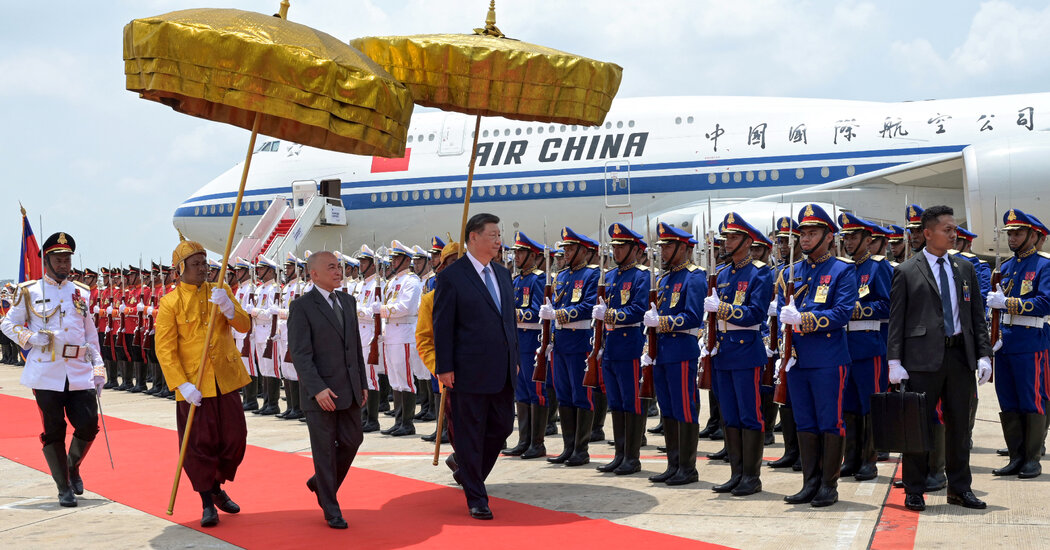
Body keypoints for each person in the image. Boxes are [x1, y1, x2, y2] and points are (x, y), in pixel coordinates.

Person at [888, 204, 992, 512]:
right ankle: (915, 489)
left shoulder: (964, 268)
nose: (953, 234)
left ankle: (960, 489)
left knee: (960, 427)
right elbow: (897, 321)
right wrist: (895, 361)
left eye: (954, 229)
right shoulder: (906, 271)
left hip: (960, 357)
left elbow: (975, 317)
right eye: (947, 229)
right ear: (928, 233)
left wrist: (984, 355)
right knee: (918, 428)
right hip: (921, 360)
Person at [1, 232, 105, 507]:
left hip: (79, 369)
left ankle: (72, 467)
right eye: (58, 259)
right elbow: (7, 324)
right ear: (46, 260)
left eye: (67, 259)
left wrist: (99, 366)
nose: (63, 264)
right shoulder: (29, 291)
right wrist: (30, 338)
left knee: (88, 425)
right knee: (54, 429)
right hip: (46, 371)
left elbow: (89, 332)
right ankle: (63, 487)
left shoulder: (81, 291)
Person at [155, 238, 251, 527]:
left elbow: (245, 326)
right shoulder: (169, 302)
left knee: (235, 439)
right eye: (195, 264)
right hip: (194, 386)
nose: (203, 268)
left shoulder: (221, 291)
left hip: (225, 380)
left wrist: (230, 309)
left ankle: (216, 484)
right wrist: (181, 384)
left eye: (205, 263)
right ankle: (207, 501)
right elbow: (165, 349)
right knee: (198, 446)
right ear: (179, 270)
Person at [433, 212, 517, 520]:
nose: (498, 240)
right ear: (473, 238)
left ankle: (469, 472)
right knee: (469, 433)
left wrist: (515, 360)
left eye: (499, 235)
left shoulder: (503, 274)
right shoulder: (452, 277)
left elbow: (508, 323)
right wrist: (444, 366)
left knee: (503, 426)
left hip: (503, 369)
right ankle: (476, 497)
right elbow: (442, 325)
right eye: (493, 235)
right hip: (467, 370)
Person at [778, 204, 857, 508]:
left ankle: (828, 484)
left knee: (829, 421)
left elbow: (841, 313)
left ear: (828, 236)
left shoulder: (842, 269)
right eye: (803, 234)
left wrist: (804, 319)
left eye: (812, 233)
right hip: (798, 359)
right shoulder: (791, 271)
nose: (805, 239)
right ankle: (809, 482)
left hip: (828, 358)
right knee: (805, 422)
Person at [287, 251, 368, 529]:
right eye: (331, 267)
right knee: (323, 450)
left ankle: (320, 483)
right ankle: (331, 507)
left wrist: (363, 383)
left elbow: (355, 348)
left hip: (350, 388)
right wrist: (317, 389)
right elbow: (300, 354)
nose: (338, 271)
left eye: (339, 266)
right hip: (320, 393)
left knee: (353, 440)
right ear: (314, 274)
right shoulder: (302, 307)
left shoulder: (347, 301)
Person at [706, 214, 773, 496]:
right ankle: (736, 473)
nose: (727, 242)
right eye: (726, 238)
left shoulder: (760, 272)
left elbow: (756, 313)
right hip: (723, 352)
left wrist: (721, 310)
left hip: (746, 350)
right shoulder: (721, 274)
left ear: (748, 241)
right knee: (730, 416)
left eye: (733, 237)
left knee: (749, 414)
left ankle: (751, 476)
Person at [986, 208, 1049, 480]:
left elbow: (1045, 302)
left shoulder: (1044, 265)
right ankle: (1016, 456)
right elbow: (998, 311)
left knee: (1030, 400)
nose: (1012, 238)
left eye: (1018, 233)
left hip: (1031, 342)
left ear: (1033, 236)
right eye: (1010, 233)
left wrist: (1009, 303)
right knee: (1008, 400)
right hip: (1007, 344)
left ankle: (1032, 458)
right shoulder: (1006, 269)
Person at [643, 223, 706, 486]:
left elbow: (693, 316)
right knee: (668, 409)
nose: (664, 251)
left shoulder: (694, 277)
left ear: (685, 248)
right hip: (662, 352)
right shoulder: (665, 278)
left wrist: (663, 322)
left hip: (681, 350)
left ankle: (688, 467)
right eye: (663, 246)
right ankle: (674, 463)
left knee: (683, 409)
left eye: (668, 246)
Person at [837, 213, 891, 482]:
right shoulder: (842, 268)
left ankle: (869, 460)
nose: (848, 242)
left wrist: (859, 309)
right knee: (848, 406)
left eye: (854, 237)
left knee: (870, 404)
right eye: (845, 236)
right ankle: (851, 457)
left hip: (869, 345)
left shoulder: (878, 267)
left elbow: (890, 305)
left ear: (869, 240)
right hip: (843, 346)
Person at [593, 223, 650, 475]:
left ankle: (632, 456)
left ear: (634, 248)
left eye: (621, 246)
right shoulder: (611, 276)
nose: (615, 251)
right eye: (613, 247)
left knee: (631, 400)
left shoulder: (642, 275)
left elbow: (639, 309)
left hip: (630, 343)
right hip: (612, 345)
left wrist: (611, 314)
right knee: (615, 402)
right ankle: (619, 453)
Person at [540, 228, 600, 466]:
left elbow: (588, 306)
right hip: (561, 342)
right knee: (563, 395)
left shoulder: (592, 275)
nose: (566, 252)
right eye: (565, 248)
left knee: (581, 394)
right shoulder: (562, 275)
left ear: (584, 251)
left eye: (571, 248)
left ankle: (581, 449)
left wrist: (558, 314)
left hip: (579, 340)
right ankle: (568, 447)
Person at [503, 232, 548, 459]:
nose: (517, 256)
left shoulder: (538, 279)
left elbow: (538, 313)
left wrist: (513, 314)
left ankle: (537, 443)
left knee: (535, 391)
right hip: (518, 343)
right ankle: (524, 440)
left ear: (533, 255)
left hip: (532, 340)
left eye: (521, 252)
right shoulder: (517, 280)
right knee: (521, 391)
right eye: (516, 252)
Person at [378, 240, 426, 437]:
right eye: (393, 258)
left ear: (407, 260)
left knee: (405, 379)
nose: (393, 262)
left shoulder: (412, 281)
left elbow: (406, 307)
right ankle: (399, 420)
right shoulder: (393, 282)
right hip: (391, 333)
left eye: (397, 258)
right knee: (395, 380)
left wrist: (381, 310)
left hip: (404, 332)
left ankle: (407, 422)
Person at [768, 216, 803, 471]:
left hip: (807, 339)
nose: (782, 245)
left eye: (786, 241)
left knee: (802, 403)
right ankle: (791, 450)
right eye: (779, 241)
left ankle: (804, 453)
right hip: (786, 342)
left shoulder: (807, 269)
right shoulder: (783, 272)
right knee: (786, 400)